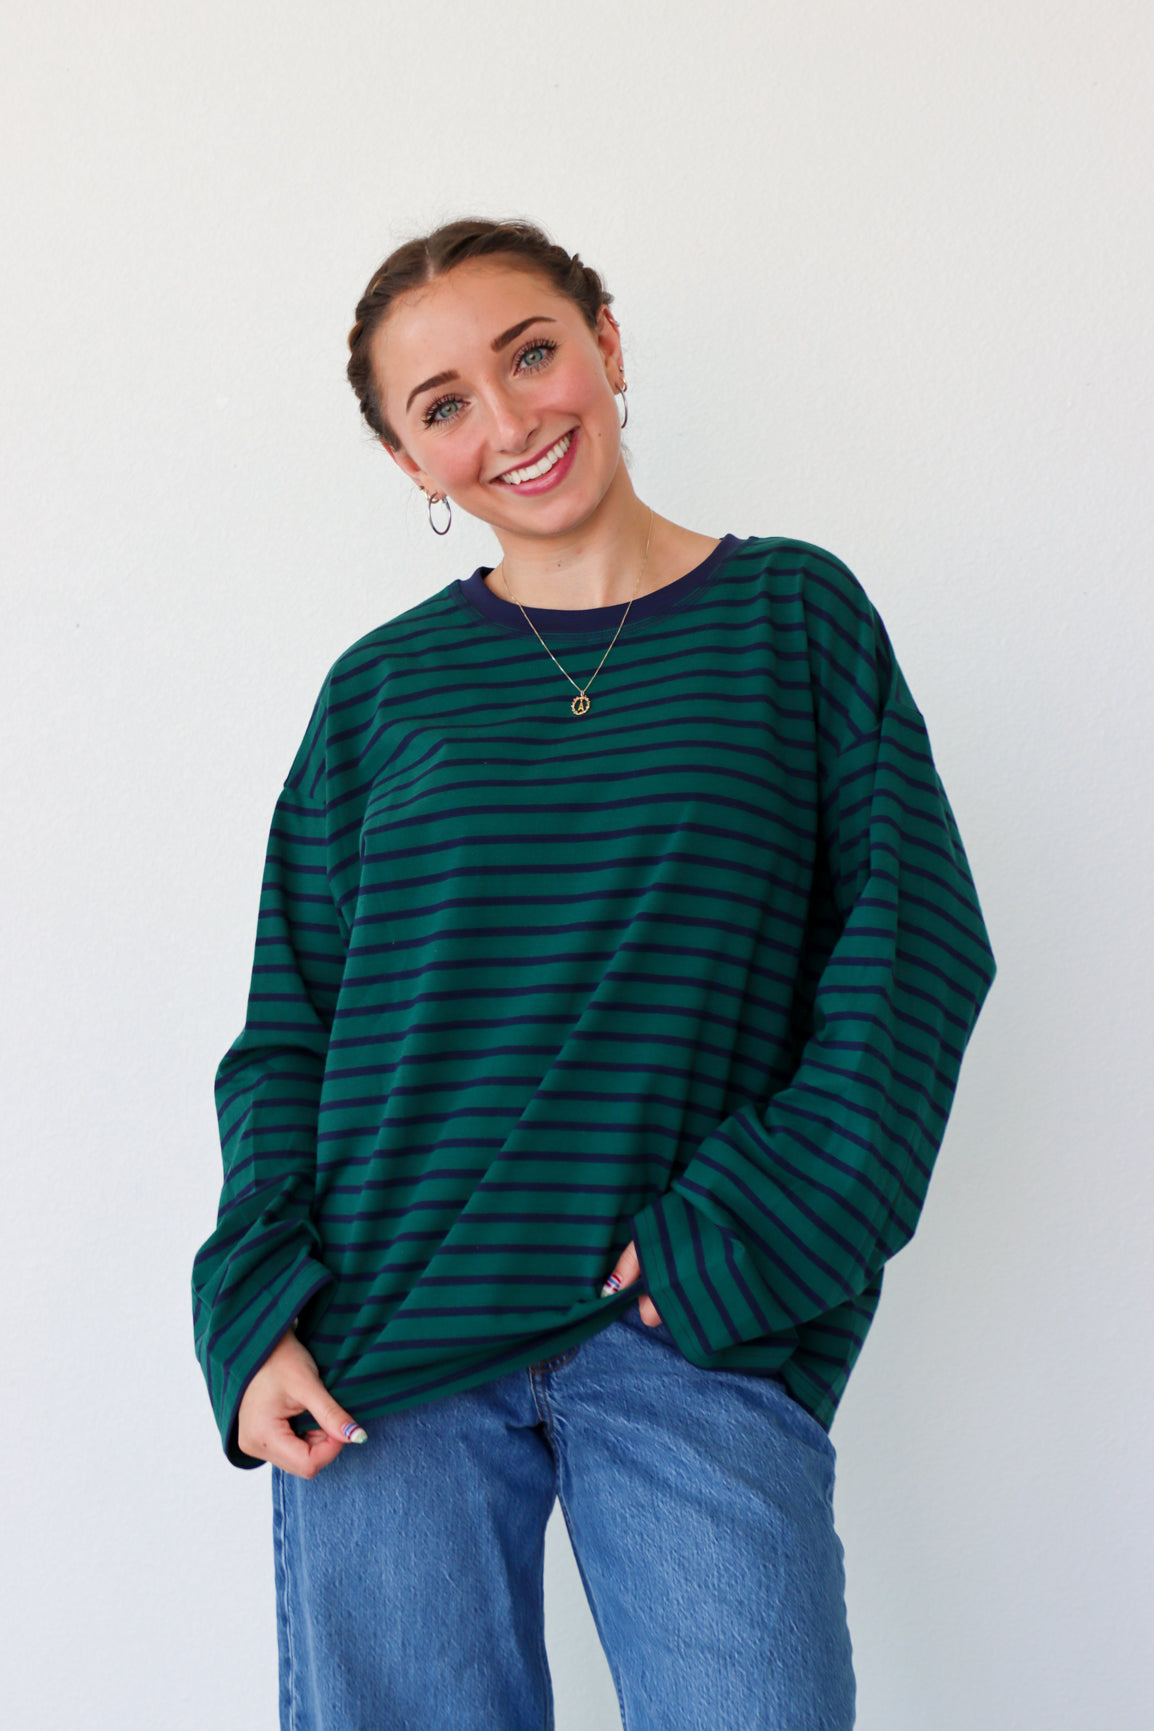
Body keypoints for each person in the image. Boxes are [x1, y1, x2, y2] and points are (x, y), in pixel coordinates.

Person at [192, 218, 995, 1729]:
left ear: (605, 347)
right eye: (441, 406)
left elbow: (914, 958)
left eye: (531, 352)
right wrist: (251, 1308)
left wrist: (750, 1232)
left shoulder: (791, 620)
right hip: (383, 1352)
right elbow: (286, 1031)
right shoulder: (379, 697)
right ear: (407, 462)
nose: (508, 423)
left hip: (684, 1330)